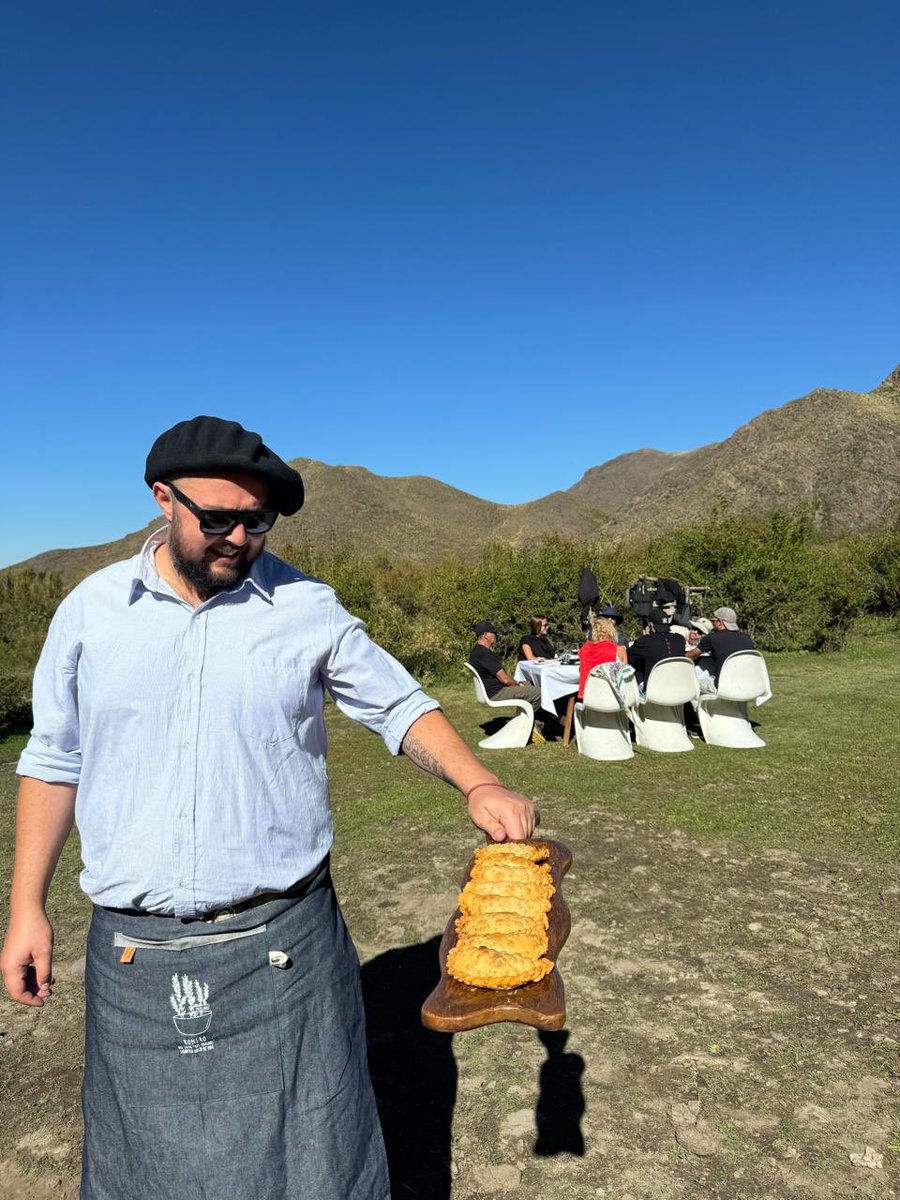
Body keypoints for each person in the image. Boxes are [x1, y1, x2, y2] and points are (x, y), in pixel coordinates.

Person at [1, 416, 537, 1200]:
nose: (238, 538)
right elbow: (54, 760)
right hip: (135, 956)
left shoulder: (305, 607)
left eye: (257, 522)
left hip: (288, 941)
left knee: (318, 1166)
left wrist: (478, 781)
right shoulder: (90, 612)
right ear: (162, 499)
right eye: (217, 519)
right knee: (151, 1177)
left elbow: (398, 705)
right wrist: (26, 908)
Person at [468, 620, 542, 713]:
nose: (496, 635)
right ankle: (523, 721)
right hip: (496, 692)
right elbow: (505, 679)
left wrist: (518, 683)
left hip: (493, 689)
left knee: (532, 684)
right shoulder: (484, 653)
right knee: (540, 693)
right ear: (486, 635)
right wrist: (518, 684)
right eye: (493, 633)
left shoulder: (476, 650)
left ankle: (526, 719)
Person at [687, 605, 755, 682]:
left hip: (723, 686)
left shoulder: (712, 637)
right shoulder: (747, 638)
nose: (713, 624)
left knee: (696, 682)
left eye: (714, 621)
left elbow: (692, 655)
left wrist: (681, 655)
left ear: (719, 622)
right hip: (747, 683)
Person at [577, 614, 626, 699]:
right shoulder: (620, 650)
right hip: (612, 699)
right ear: (612, 632)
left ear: (594, 633)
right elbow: (624, 677)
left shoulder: (584, 649)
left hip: (589, 700)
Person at [628, 619, 687, 689]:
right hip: (680, 689)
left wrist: (647, 634)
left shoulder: (645, 641)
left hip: (655, 692)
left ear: (651, 625)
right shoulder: (680, 639)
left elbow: (628, 658)